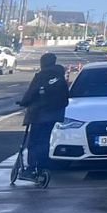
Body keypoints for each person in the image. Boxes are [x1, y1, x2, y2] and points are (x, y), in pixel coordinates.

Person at [17, 52, 69, 180]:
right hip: (54, 114)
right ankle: (43, 165)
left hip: (39, 114)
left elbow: (31, 92)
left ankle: (31, 168)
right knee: (45, 140)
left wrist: (23, 102)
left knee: (34, 141)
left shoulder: (41, 75)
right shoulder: (60, 75)